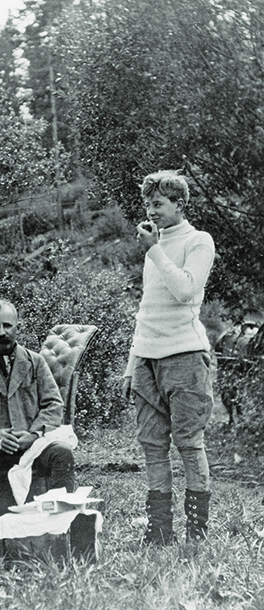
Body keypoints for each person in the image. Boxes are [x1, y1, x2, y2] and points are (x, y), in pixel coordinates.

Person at [122, 170, 215, 545]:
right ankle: (159, 531)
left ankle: (196, 533)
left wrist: (154, 250)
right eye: (148, 204)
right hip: (147, 359)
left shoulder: (198, 241)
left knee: (189, 443)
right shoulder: (154, 249)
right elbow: (148, 308)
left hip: (186, 356)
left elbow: (185, 292)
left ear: (180, 203)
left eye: (158, 203)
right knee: (152, 444)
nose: (152, 210)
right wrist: (132, 364)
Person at [0, 299, 75, 517]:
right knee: (4, 514)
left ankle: (62, 521)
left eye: (7, 325)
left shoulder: (36, 362)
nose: (2, 332)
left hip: (33, 448)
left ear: (18, 327)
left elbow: (54, 404)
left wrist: (34, 433)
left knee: (61, 454)